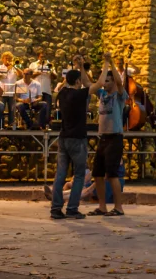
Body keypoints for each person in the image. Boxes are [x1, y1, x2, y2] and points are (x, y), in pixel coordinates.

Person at [50, 56, 105, 220]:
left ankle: (56, 208)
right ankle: (72, 208)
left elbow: (80, 82)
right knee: (80, 174)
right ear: (78, 81)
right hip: (77, 138)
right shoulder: (80, 94)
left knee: (60, 174)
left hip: (63, 137)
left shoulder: (61, 93)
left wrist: (79, 66)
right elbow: (98, 84)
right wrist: (106, 63)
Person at [88, 53, 128, 217]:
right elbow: (87, 83)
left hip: (115, 137)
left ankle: (118, 207)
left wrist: (110, 62)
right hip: (103, 137)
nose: (105, 83)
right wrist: (81, 67)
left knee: (112, 174)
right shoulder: (102, 94)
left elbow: (119, 82)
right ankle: (102, 206)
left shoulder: (119, 96)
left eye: (107, 80)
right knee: (97, 174)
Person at [30, 49, 56, 126]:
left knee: (47, 110)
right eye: (41, 56)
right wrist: (38, 72)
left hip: (46, 90)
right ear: (38, 57)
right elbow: (29, 76)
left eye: (44, 57)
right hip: (36, 91)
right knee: (36, 109)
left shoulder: (50, 65)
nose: (43, 58)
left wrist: (50, 71)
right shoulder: (33, 65)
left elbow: (54, 77)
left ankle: (46, 126)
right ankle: (36, 125)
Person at [0, 52, 22, 128]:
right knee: (1, 109)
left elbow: (21, 75)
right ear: (2, 59)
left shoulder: (14, 68)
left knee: (12, 110)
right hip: (2, 93)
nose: (8, 60)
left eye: (10, 59)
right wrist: (8, 69)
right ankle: (1, 125)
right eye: (6, 58)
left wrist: (15, 66)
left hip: (12, 93)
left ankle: (11, 125)